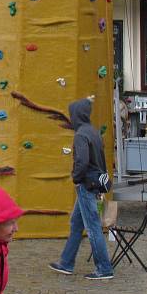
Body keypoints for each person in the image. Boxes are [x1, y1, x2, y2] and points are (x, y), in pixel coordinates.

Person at [48, 97, 113, 280]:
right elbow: (101, 160)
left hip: (86, 184)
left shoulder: (80, 135)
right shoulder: (93, 132)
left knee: (92, 227)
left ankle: (104, 268)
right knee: (76, 224)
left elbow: (82, 161)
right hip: (94, 182)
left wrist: (76, 178)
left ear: (75, 115)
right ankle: (66, 263)